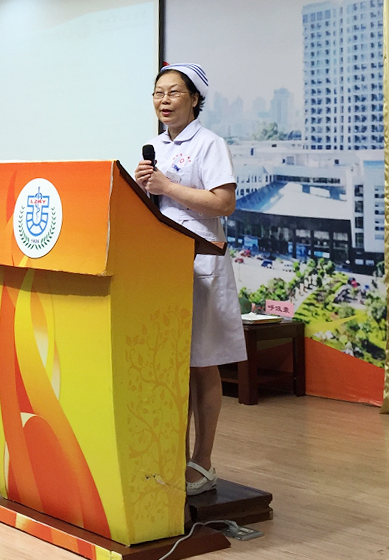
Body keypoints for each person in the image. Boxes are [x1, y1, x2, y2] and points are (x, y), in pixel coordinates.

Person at [134, 63, 247, 496]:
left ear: (195, 99)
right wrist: (144, 190)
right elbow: (158, 204)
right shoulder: (156, 147)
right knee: (171, 365)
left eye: (174, 92)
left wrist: (166, 185)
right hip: (163, 265)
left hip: (201, 263)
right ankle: (171, 454)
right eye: (158, 93)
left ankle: (203, 461)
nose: (164, 100)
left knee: (202, 363)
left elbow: (224, 203)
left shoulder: (210, 144)